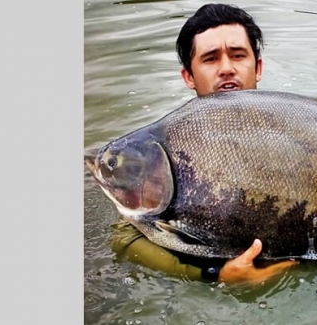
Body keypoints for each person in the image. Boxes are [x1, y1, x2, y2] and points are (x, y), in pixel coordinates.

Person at [110, 3, 296, 287]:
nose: (226, 68)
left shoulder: (300, 128)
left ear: (257, 67)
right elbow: (125, 239)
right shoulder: (166, 148)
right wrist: (216, 275)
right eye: (210, 59)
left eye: (238, 55)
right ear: (189, 76)